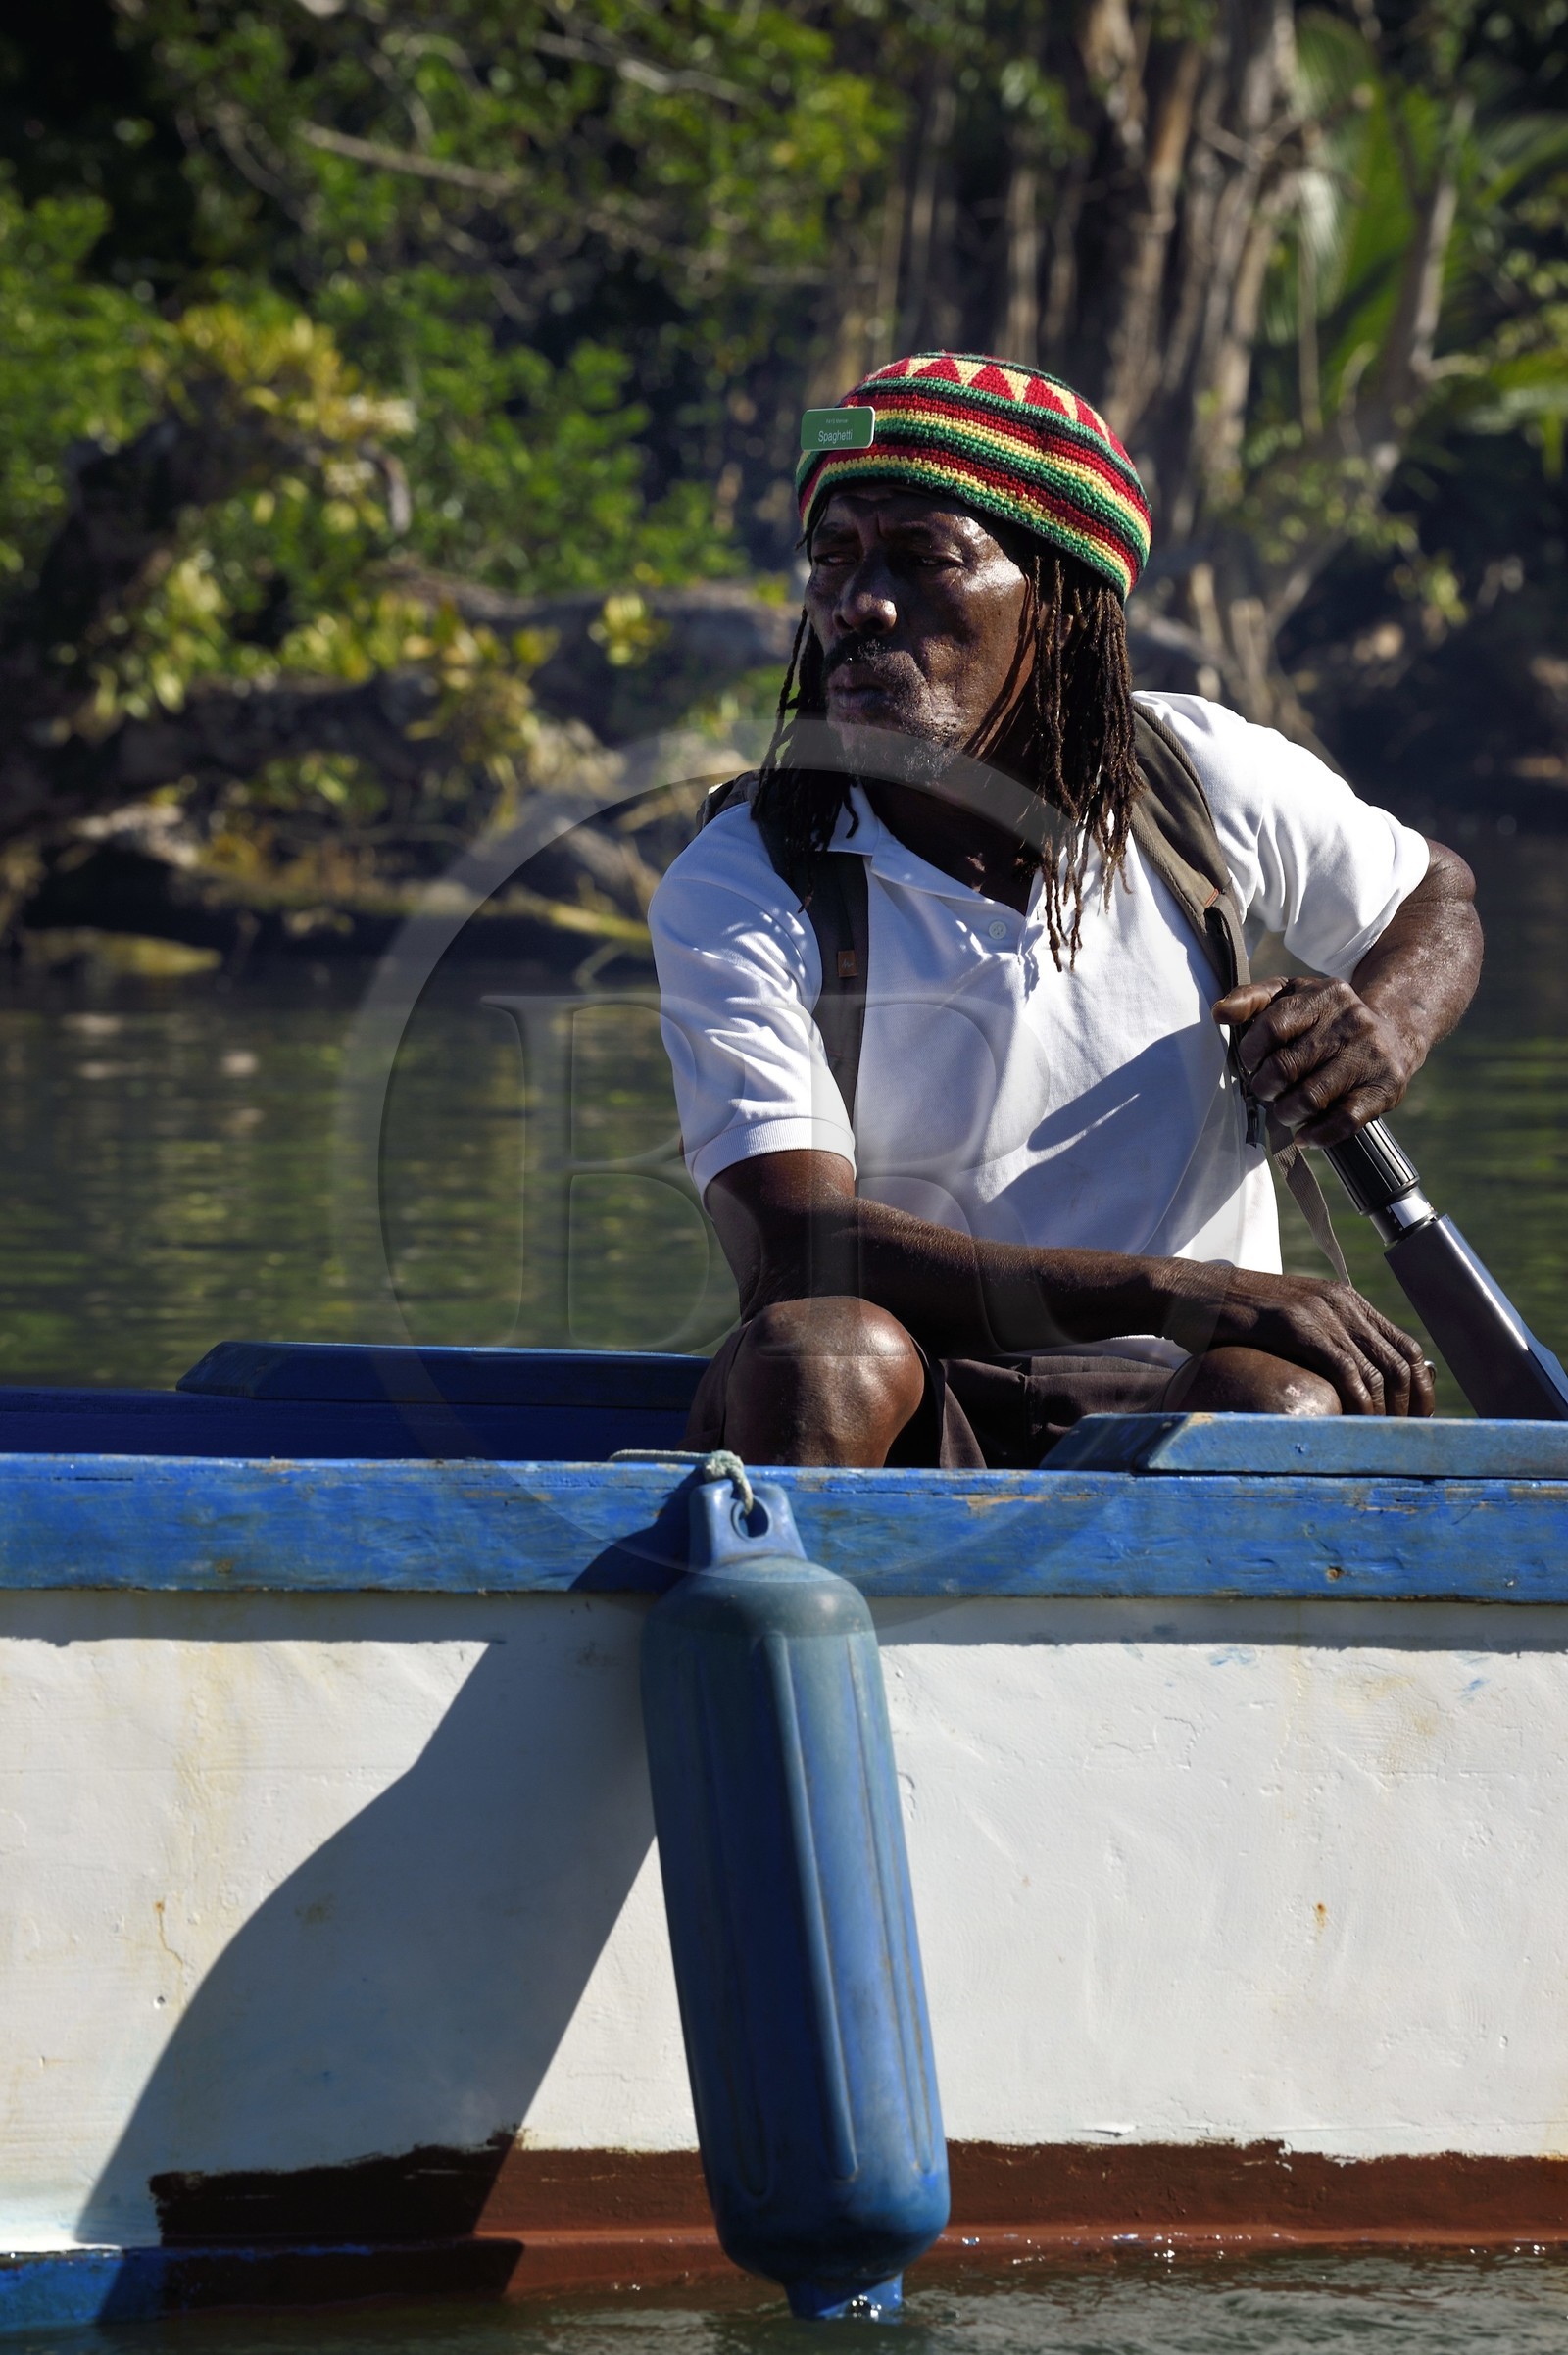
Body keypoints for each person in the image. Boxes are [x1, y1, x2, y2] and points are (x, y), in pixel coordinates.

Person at [650, 352, 1483, 1468]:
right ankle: (814, 1577)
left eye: (923, 558)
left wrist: (1382, 1028)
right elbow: (793, 1247)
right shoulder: (749, 873)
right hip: (906, 1399)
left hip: (1174, 1397)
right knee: (823, 1354)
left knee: (1280, 1395)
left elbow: (1436, 893)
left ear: (1057, 600)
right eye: (834, 557)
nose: (859, 602)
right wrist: (1195, 1292)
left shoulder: (1197, 781)